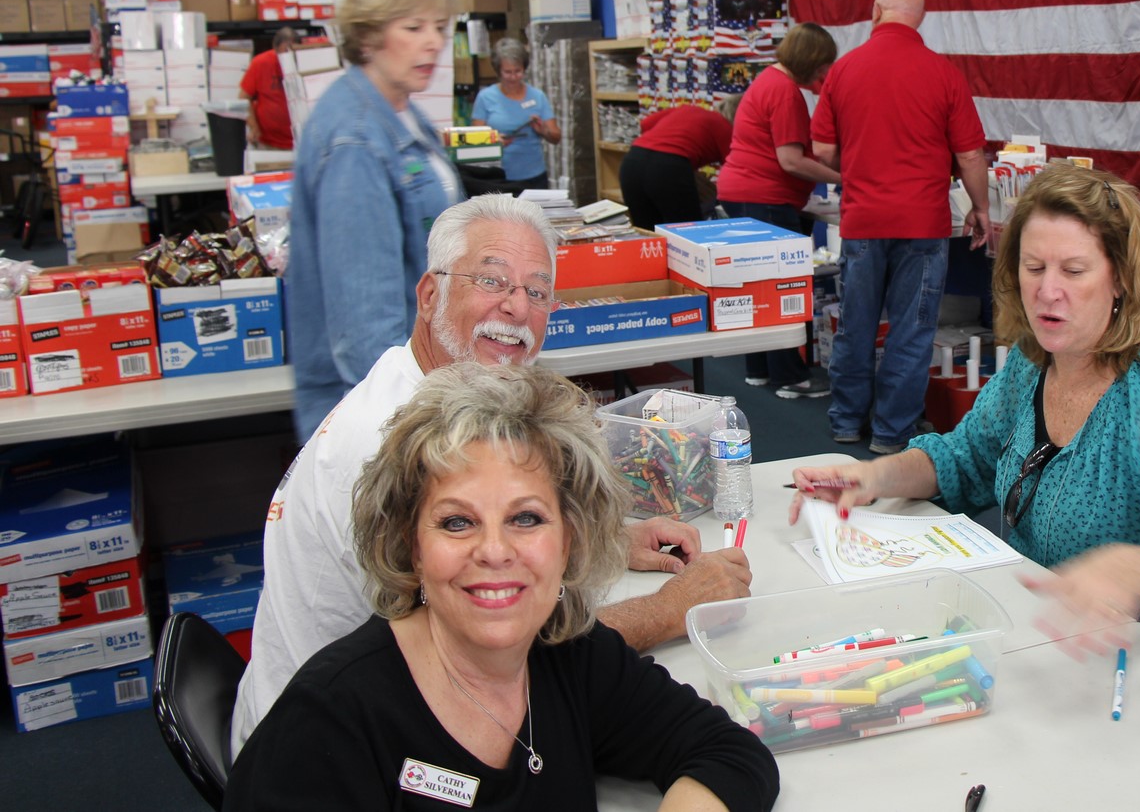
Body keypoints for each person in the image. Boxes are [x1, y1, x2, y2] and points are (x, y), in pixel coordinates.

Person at [233, 194, 754, 754]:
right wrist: (669, 610)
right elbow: (488, 650)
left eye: (537, 291)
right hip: (328, 753)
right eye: (491, 281)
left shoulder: (429, 389)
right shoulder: (390, 440)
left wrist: (594, 539)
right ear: (430, 294)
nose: (516, 308)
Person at [787, 165, 1140, 692]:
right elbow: (967, 458)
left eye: (1073, 271)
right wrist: (875, 477)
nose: (1047, 292)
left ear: (1119, 278)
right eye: (1033, 266)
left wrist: (1136, 569)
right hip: (1055, 652)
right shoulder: (1038, 357)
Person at [225, 363, 779, 812]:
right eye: (457, 522)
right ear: (411, 546)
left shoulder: (569, 656)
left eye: (527, 519)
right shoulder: (331, 723)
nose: (494, 551)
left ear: (570, 541)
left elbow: (729, 755)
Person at [288, 0, 464, 442]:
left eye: (438, 27)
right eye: (412, 27)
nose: (431, 43)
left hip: (429, 383)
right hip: (385, 418)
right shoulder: (356, 140)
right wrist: (412, 432)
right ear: (368, 35)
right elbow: (365, 328)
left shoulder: (402, 112)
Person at [811, 0, 993, 454]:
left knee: (856, 324)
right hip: (922, 224)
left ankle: (847, 421)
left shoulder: (844, 70)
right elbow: (972, 156)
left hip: (863, 221)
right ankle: (893, 433)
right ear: (921, 19)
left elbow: (823, 149)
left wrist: (859, 165)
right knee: (912, 331)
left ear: (876, 12)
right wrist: (982, 208)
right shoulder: (943, 73)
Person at [717, 22, 840, 398]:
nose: (824, 74)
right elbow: (790, 160)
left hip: (741, 192)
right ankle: (791, 377)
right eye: (823, 66)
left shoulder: (766, 82)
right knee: (783, 287)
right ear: (811, 60)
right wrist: (843, 176)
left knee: (756, 287)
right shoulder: (785, 92)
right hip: (765, 198)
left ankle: (760, 369)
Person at [619, 103, 732, 229]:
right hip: (669, 167)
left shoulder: (687, 109)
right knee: (686, 231)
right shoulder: (725, 127)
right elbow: (734, 168)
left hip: (633, 160)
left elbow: (645, 124)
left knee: (647, 234)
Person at [471, 36, 560, 191]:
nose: (513, 77)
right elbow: (474, 141)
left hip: (534, 177)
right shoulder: (485, 97)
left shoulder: (537, 96)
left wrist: (543, 130)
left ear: (524, 69)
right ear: (498, 70)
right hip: (498, 178)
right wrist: (493, 140)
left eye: (518, 71)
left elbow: (556, 137)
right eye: (508, 72)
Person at [238, 26, 297, 150]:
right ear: (275, 50)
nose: (287, 58)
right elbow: (243, 98)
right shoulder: (261, 63)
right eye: (283, 54)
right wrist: (253, 127)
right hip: (268, 142)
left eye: (292, 54)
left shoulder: (306, 63)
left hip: (301, 142)